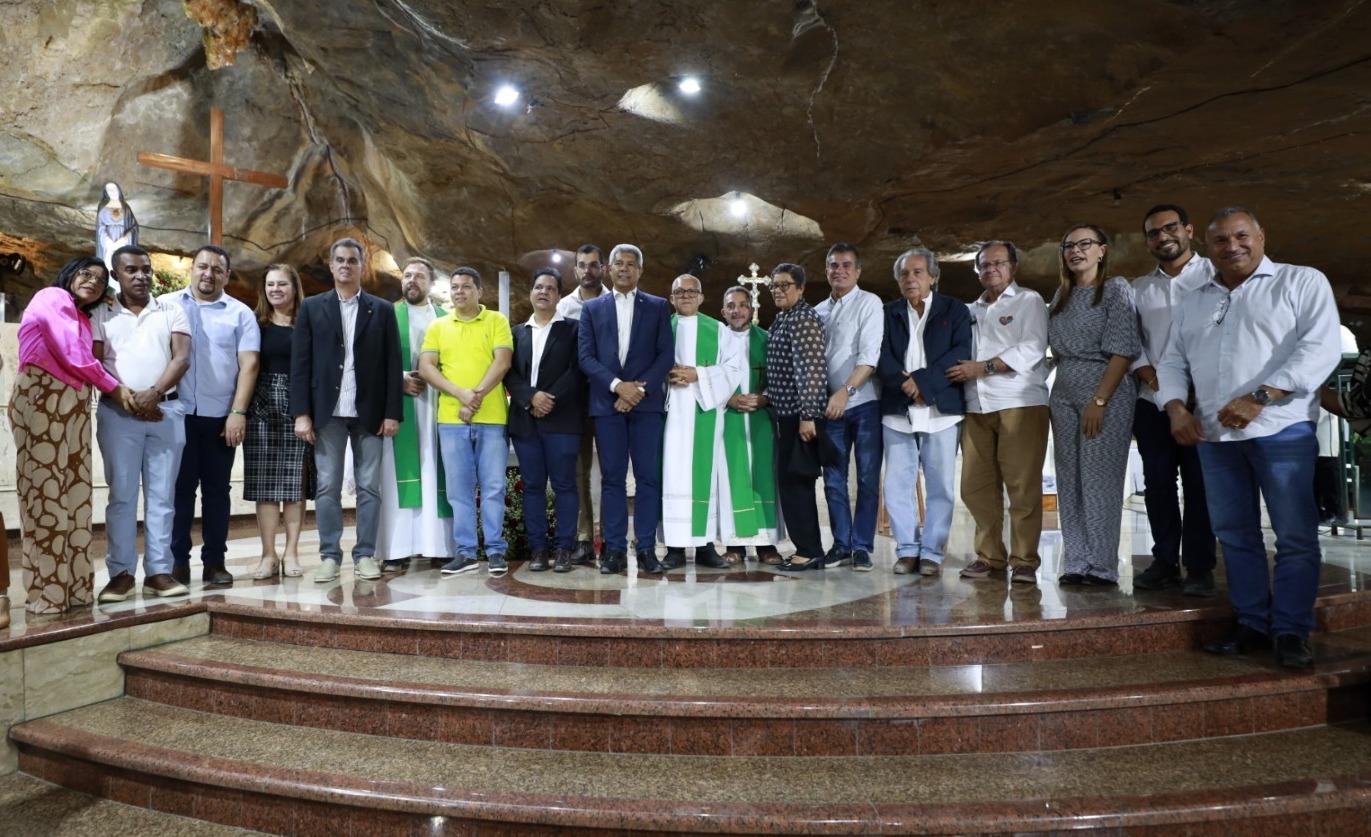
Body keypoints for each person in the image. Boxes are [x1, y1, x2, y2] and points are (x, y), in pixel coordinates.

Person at [1159, 207, 1341, 669]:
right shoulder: (1194, 300)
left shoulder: (1300, 282)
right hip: (1216, 437)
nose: (1232, 246)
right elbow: (1172, 360)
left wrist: (1261, 396)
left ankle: (1291, 630)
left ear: (1261, 236)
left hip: (1283, 429)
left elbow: (1321, 348)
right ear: (1208, 247)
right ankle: (1252, 622)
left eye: (1241, 236)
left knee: (1294, 535)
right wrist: (1176, 408)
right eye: (1221, 240)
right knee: (1235, 535)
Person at [10, 257, 129, 614]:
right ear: (69, 274)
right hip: (41, 396)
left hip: (75, 403)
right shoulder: (52, 296)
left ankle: (75, 589)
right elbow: (71, 352)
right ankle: (47, 594)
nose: (93, 281)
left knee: (76, 498)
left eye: (101, 280)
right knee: (44, 496)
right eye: (85, 274)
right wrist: (115, 388)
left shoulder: (83, 317)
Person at [291, 237, 403, 584]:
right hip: (328, 412)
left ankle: (365, 554)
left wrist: (392, 413)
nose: (345, 266)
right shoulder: (312, 308)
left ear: (361, 266)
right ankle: (329, 556)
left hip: (369, 413)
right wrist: (301, 413)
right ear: (331, 265)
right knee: (327, 486)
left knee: (369, 487)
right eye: (339, 260)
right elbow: (301, 364)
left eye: (352, 260)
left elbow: (392, 364)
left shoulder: (382, 310)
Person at [92, 245, 193, 603]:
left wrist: (154, 393)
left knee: (163, 497)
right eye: (131, 270)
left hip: (165, 412)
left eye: (146, 270)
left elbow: (181, 358)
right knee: (122, 496)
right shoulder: (102, 312)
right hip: (117, 415)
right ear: (116, 274)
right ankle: (120, 574)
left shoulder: (171, 309)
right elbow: (95, 362)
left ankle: (158, 572)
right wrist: (128, 399)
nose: (141, 276)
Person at [946, 241, 1050, 586]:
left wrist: (982, 368)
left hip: (1020, 404)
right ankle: (989, 556)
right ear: (976, 270)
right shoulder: (968, 310)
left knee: (1022, 486)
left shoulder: (1029, 301)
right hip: (976, 406)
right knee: (975, 487)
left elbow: (1032, 348)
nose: (991, 269)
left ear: (1013, 266)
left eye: (998, 263)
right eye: (985, 265)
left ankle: (1024, 560)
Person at [1046, 225, 1141, 587]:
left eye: (1085, 244)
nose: (1076, 251)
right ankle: (1076, 561)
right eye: (1069, 245)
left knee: (1099, 479)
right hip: (1064, 391)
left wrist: (1099, 400)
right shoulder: (1062, 294)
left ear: (1102, 251)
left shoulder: (1116, 289)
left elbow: (1123, 350)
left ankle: (1101, 566)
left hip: (1104, 389)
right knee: (1069, 479)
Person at [1130, 205, 1217, 596]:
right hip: (1152, 401)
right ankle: (1164, 560)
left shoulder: (1215, 275)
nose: (1163, 236)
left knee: (1200, 484)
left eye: (1170, 228)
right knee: (1158, 483)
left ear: (1189, 230)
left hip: (1204, 400)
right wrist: (1159, 385)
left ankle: (1199, 566)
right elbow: (1132, 344)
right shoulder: (1139, 288)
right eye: (1154, 232)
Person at [161, 245, 260, 587]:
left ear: (227, 275)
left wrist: (237, 412)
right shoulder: (166, 305)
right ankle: (177, 562)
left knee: (217, 492)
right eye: (203, 267)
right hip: (177, 413)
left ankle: (215, 561)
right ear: (192, 268)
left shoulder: (240, 313)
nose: (209, 274)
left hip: (221, 417)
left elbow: (249, 364)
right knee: (179, 490)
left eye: (217, 269)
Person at [577, 243, 674, 575]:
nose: (624, 268)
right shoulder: (592, 308)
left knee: (648, 478)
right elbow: (585, 357)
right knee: (612, 479)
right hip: (608, 405)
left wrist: (638, 390)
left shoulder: (658, 306)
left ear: (640, 271)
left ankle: (646, 548)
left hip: (646, 406)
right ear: (609, 269)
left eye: (631, 264)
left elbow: (665, 355)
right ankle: (615, 549)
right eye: (618, 263)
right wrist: (619, 386)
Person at [876, 247, 972, 577]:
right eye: (904, 273)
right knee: (896, 485)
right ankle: (906, 549)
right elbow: (880, 353)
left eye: (918, 272)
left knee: (940, 485)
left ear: (933, 277)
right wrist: (905, 385)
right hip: (897, 408)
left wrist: (923, 384)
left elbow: (961, 351)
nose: (910, 278)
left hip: (941, 409)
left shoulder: (954, 310)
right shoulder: (887, 312)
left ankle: (931, 551)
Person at [419, 267, 514, 576]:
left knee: (493, 487)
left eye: (466, 287)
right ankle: (466, 552)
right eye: (455, 287)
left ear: (479, 292)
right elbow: (426, 367)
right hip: (451, 419)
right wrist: (461, 394)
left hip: (491, 418)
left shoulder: (497, 321)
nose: (459, 291)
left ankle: (496, 551)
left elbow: (503, 362)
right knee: (459, 490)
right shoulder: (438, 326)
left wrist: (476, 396)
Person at [660, 274, 746, 570]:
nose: (685, 296)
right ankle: (673, 547)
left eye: (691, 291)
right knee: (671, 476)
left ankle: (705, 545)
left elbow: (734, 369)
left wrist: (697, 374)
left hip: (704, 412)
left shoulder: (718, 330)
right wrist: (667, 374)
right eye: (679, 292)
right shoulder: (662, 327)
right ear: (671, 298)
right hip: (669, 414)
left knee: (705, 477)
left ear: (701, 297)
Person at [376, 257, 454, 573]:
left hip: (437, 405)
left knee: (436, 469)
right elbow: (371, 360)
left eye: (420, 276)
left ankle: (439, 546)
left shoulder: (446, 319)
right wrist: (399, 380)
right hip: (400, 408)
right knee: (396, 476)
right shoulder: (386, 315)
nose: (412, 280)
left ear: (431, 283)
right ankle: (396, 549)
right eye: (407, 275)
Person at [507, 267, 584, 572]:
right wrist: (530, 397)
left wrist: (548, 399)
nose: (543, 292)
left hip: (562, 420)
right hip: (525, 420)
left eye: (550, 288)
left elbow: (577, 371)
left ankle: (564, 548)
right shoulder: (517, 332)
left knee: (565, 485)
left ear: (559, 295)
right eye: (539, 287)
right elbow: (508, 372)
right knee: (533, 486)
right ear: (531, 293)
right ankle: (538, 549)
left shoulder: (574, 330)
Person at [812, 243, 884, 571]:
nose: (839, 270)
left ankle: (862, 546)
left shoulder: (869, 303)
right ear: (826, 270)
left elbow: (869, 355)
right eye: (833, 265)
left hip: (863, 402)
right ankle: (841, 544)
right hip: (830, 407)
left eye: (845, 265)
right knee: (833, 478)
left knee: (867, 478)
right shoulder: (818, 311)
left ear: (857, 271)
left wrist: (846, 391)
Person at [243, 264, 315, 579]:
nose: (275, 290)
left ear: (294, 287)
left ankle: (292, 552)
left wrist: (307, 412)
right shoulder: (255, 322)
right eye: (270, 284)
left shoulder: (307, 322)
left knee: (295, 485)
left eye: (282, 284)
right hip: (261, 405)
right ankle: (268, 554)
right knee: (265, 486)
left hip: (299, 405)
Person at [765, 263, 830, 569]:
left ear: (801, 288)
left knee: (796, 482)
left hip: (798, 415)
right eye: (774, 286)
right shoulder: (784, 318)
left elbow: (812, 370)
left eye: (785, 285)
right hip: (785, 412)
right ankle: (806, 547)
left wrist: (808, 415)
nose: (778, 291)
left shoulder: (803, 318)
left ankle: (810, 551)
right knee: (789, 482)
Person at [719, 286, 782, 565]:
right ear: (723, 311)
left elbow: (780, 376)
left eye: (743, 305)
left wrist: (765, 398)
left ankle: (767, 543)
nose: (737, 311)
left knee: (763, 476)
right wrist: (728, 398)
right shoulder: (716, 340)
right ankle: (735, 544)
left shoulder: (767, 340)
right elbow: (708, 375)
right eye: (731, 306)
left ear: (752, 309)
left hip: (761, 418)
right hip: (728, 417)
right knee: (731, 478)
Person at [556, 244, 610, 567]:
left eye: (593, 265)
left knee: (612, 471)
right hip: (575, 401)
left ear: (603, 268)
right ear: (575, 269)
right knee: (579, 472)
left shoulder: (614, 301)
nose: (587, 270)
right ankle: (584, 537)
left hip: (608, 396)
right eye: (582, 265)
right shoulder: (564, 307)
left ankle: (612, 538)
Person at [95, 182, 138, 273]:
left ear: (118, 190)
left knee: (123, 265)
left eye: (114, 189)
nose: (112, 191)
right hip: (108, 243)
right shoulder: (102, 206)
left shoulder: (125, 207)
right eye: (109, 190)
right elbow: (100, 226)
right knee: (108, 266)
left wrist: (125, 239)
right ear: (106, 192)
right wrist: (107, 241)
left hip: (123, 241)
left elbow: (134, 227)